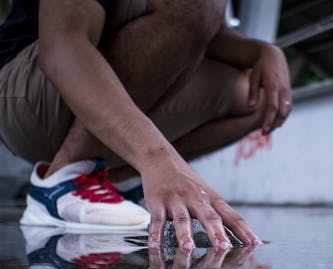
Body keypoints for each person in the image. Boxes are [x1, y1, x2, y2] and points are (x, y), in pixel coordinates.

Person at [0, 0, 292, 249]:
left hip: (86, 96)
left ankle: (110, 182)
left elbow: (206, 29)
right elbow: (62, 46)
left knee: (262, 96)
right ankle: (65, 180)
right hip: (25, 94)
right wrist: (157, 159)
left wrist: (263, 52)